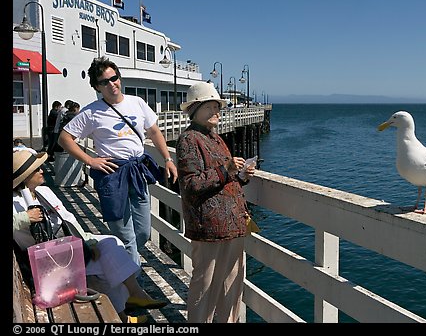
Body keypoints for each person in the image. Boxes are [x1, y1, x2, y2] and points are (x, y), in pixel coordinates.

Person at [12, 149, 167, 323]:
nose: (42, 170)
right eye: (36, 169)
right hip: (49, 266)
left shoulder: (44, 191)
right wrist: (26, 217)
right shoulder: (15, 202)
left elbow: (68, 219)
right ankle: (130, 306)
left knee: (110, 248)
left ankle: (129, 306)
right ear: (24, 177)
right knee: (110, 260)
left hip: (67, 251)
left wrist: (87, 241)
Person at [58, 56, 178, 269]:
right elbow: (64, 138)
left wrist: (168, 159)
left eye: (114, 78)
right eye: (104, 81)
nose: (111, 84)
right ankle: (136, 289)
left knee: (142, 231)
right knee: (125, 234)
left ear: (119, 78)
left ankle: (122, 263)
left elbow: (154, 131)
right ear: (97, 86)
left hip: (137, 171)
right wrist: (90, 161)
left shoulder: (137, 103)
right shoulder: (91, 112)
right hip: (112, 175)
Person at [176, 81, 256, 323]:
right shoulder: (189, 140)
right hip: (208, 227)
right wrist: (226, 168)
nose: (216, 112)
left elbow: (224, 179)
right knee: (206, 286)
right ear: (194, 109)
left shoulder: (216, 138)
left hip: (233, 224)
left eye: (217, 107)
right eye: (209, 107)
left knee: (232, 286)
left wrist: (241, 176)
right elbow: (191, 185)